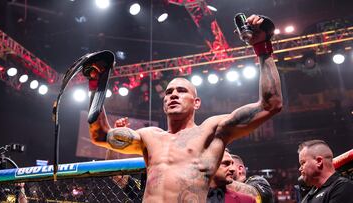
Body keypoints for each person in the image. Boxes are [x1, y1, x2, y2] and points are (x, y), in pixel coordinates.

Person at [87, 14, 282, 202]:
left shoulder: (211, 132)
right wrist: (97, 84)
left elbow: (270, 104)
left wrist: (262, 47)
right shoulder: (148, 137)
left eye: (181, 91)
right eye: (169, 92)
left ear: (196, 102)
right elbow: (101, 135)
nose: (173, 95)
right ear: (164, 104)